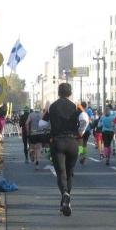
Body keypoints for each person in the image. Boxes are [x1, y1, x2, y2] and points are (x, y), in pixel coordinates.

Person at [47, 82, 84, 215]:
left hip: (58, 142)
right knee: (70, 172)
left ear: (58, 92)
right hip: (73, 142)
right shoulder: (76, 106)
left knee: (61, 173)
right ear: (70, 92)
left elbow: (42, 123)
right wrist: (80, 131)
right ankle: (66, 199)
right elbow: (85, 118)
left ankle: (64, 194)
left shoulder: (52, 106)